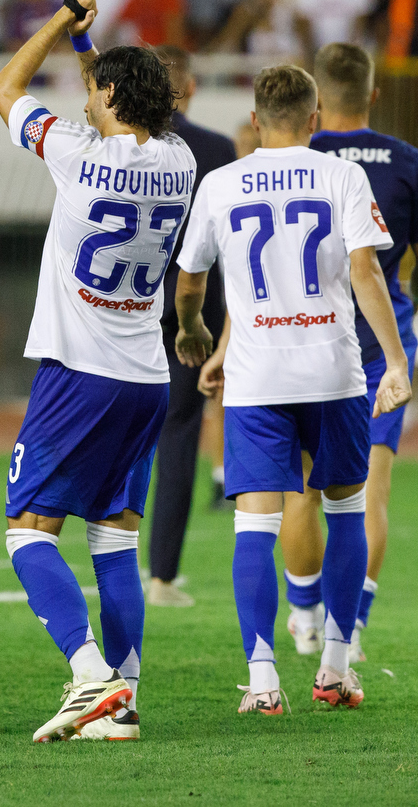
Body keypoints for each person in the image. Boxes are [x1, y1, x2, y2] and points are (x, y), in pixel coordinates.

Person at [0, 0, 195, 743]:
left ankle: (87, 675)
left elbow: (5, 89)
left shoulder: (73, 152)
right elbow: (115, 106)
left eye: (93, 87)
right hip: (147, 375)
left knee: (26, 530)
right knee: (114, 538)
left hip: (80, 373)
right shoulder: (179, 163)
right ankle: (125, 699)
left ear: (106, 99)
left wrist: (61, 14)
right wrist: (92, 47)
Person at [174, 64, 412, 716]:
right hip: (333, 373)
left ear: (255, 120)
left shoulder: (221, 183)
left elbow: (191, 279)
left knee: (255, 524)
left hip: (257, 378)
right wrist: (393, 359)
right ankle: (335, 668)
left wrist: (198, 334)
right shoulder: (341, 175)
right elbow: (366, 272)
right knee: (343, 511)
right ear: (314, 121)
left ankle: (263, 679)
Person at [276, 43, 418, 664]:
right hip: (378, 343)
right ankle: (352, 631)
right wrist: (413, 298)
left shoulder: (294, 159)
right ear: (372, 95)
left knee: (301, 491)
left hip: (302, 337)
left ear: (317, 103)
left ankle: (301, 614)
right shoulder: (406, 161)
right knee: (369, 494)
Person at [145, 46, 236, 609]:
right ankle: (161, 575)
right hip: (194, 318)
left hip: (120, 310)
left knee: (113, 433)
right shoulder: (216, 150)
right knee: (178, 434)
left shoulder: (123, 146)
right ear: (193, 88)